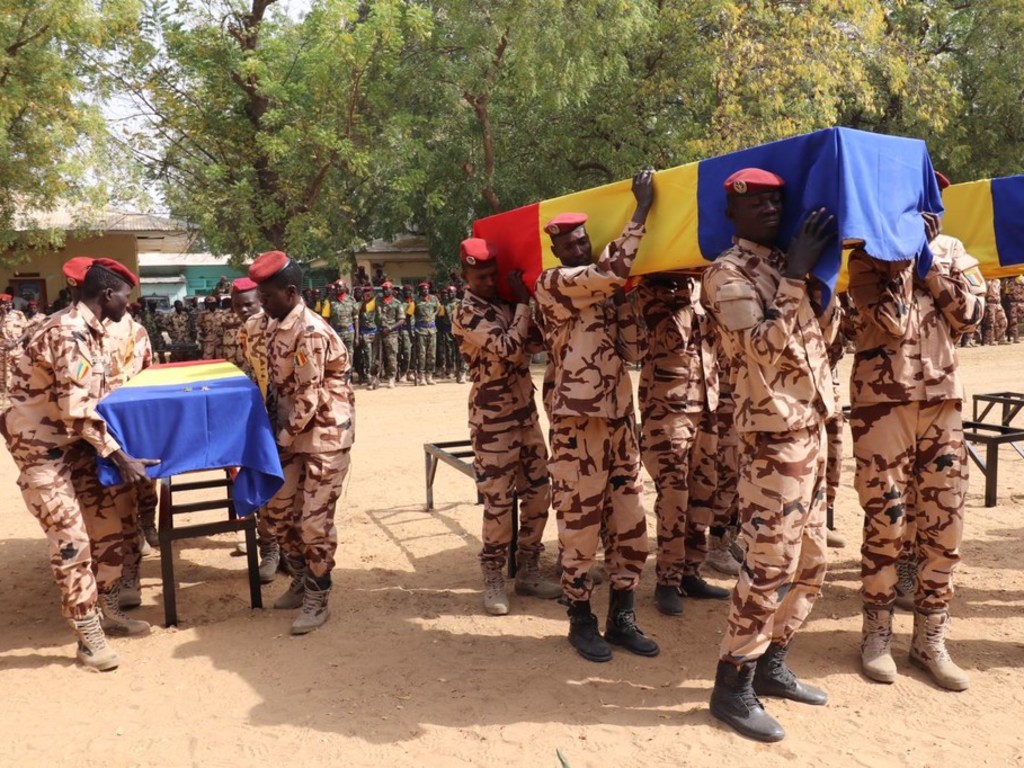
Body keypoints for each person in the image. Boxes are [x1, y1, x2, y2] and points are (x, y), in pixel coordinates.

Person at [701, 168, 837, 742]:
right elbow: (758, 349)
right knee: (767, 568)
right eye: (756, 203)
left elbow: (821, 343)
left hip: (814, 428)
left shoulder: (787, 265)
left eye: (777, 201)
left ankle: (771, 664)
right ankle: (732, 684)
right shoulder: (726, 274)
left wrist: (813, 281)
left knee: (812, 562)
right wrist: (797, 277)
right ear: (732, 212)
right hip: (771, 440)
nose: (771, 210)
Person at [848, 198, 984, 692]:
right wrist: (906, 261)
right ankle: (877, 635)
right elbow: (890, 320)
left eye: (936, 206)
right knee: (887, 519)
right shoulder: (867, 258)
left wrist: (932, 262)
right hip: (883, 405)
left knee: (946, 523)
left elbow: (970, 315)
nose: (931, 216)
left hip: (942, 402)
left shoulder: (953, 251)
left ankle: (929, 638)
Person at [1, 259, 158, 670]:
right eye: (126, 294)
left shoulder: (94, 330)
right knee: (72, 538)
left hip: (79, 445)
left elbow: (102, 396)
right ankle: (87, 634)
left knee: (108, 527)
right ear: (107, 295)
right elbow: (79, 409)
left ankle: (107, 610)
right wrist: (123, 458)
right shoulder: (68, 331)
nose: (130, 302)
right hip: (41, 449)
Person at [532, 168, 658, 663]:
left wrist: (629, 304)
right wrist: (642, 210)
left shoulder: (605, 294)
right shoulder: (553, 284)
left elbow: (635, 350)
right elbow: (609, 272)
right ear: (556, 249)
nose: (579, 248)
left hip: (620, 421)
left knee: (629, 524)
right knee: (580, 527)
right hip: (576, 426)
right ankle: (580, 619)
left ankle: (622, 616)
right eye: (570, 243)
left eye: (585, 240)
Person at [451, 238, 562, 615]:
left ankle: (529, 567)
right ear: (464, 275)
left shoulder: (503, 304)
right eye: (480, 276)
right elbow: (512, 347)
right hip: (492, 419)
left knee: (538, 491)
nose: (487, 281)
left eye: (491, 275)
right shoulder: (466, 313)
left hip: (524, 413)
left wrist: (522, 305)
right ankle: (494, 575)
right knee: (498, 502)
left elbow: (535, 342)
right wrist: (521, 304)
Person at [248, 250, 355, 635]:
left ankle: (318, 592)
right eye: (260, 295)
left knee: (313, 521)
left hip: (324, 434)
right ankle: (299, 574)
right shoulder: (267, 324)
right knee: (276, 513)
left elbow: (309, 396)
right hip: (288, 433)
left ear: (291, 292)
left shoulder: (309, 331)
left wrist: (278, 441)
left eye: (268, 295)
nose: (262, 302)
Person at [635, 273, 728, 617]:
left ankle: (691, 571)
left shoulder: (703, 288)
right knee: (674, 496)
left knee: (703, 491)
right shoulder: (651, 290)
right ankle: (667, 580)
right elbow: (673, 335)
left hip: (706, 405)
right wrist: (682, 294)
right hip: (668, 409)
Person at [232, 276, 282, 583]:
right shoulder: (246, 332)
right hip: (262, 415)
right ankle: (270, 548)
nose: (243, 311)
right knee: (263, 480)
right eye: (237, 306)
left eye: (248, 304)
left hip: (289, 416)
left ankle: (288, 549)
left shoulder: (281, 324)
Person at [377, 282, 405, 388]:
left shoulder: (397, 303)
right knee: (377, 357)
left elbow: (401, 320)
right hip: (379, 333)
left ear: (392, 290)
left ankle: (391, 378)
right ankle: (377, 377)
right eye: (383, 289)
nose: (385, 291)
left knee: (391, 357)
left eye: (387, 289)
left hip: (391, 334)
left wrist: (390, 328)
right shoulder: (378, 302)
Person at [412, 282, 440, 385]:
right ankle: (421, 376)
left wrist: (433, 316)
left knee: (431, 354)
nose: (425, 290)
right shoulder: (415, 300)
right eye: (423, 289)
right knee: (421, 354)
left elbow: (438, 308)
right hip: (420, 330)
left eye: (427, 289)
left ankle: (429, 375)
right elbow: (410, 314)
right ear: (419, 290)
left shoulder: (434, 299)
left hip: (432, 330)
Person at [357, 285, 379, 388]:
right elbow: (356, 318)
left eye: (369, 292)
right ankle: (370, 378)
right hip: (365, 333)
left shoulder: (377, 302)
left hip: (376, 333)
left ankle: (376, 378)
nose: (367, 293)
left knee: (376, 358)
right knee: (367, 356)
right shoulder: (360, 304)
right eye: (365, 292)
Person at [981, 278, 1007, 345]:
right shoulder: (986, 281)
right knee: (990, 323)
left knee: (1003, 321)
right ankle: (988, 341)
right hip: (990, 304)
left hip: (998, 303)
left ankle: (1001, 339)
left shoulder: (998, 280)